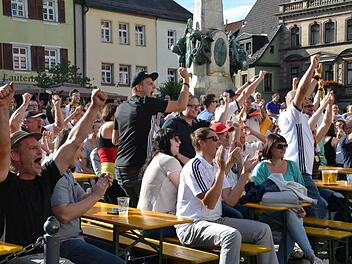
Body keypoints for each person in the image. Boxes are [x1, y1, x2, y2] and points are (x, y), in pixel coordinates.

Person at [0, 83, 106, 262]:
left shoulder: (45, 177)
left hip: (47, 255)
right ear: (15, 156)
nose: (38, 152)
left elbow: (73, 140)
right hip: (16, 259)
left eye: (37, 147)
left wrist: (94, 108)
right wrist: (3, 107)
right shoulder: (6, 181)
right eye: (32, 148)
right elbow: (3, 148)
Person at [176, 127, 278, 264]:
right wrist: (221, 170)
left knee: (263, 230)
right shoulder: (193, 166)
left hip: (214, 221)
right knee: (231, 235)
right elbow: (209, 203)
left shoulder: (216, 166)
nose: (219, 142)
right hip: (191, 225)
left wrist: (244, 173)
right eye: (214, 139)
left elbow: (231, 200)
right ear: (201, 143)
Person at [113, 67, 190, 207]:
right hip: (137, 168)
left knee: (136, 210)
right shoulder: (145, 102)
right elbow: (181, 105)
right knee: (148, 211)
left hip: (119, 168)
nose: (154, 86)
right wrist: (186, 80)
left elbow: (115, 140)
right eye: (149, 83)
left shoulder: (121, 107)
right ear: (138, 88)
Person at [51, 130, 125, 264]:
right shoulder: (56, 175)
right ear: (68, 149)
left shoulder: (65, 171)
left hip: (74, 238)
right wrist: (96, 195)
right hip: (62, 243)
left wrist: (100, 188)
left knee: (122, 252)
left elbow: (81, 197)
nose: (80, 156)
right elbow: (64, 215)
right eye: (79, 150)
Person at [251, 133, 322, 264]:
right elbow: (258, 194)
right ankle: (310, 255)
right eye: (279, 146)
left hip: (292, 209)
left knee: (292, 217)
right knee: (293, 219)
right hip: (268, 212)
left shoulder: (292, 165)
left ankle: (285, 260)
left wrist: (300, 206)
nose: (283, 149)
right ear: (270, 148)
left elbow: (301, 190)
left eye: (285, 146)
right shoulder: (261, 168)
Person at [278, 54, 327, 218]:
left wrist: (317, 75)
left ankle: (307, 240)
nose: (307, 101)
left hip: (300, 171)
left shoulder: (299, 117)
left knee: (308, 210)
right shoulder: (292, 114)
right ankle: (316, 242)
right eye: (304, 99)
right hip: (299, 171)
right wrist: (312, 67)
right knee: (318, 209)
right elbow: (301, 91)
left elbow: (306, 90)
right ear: (292, 102)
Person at [137, 128, 182, 238]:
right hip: (157, 225)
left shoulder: (157, 158)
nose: (179, 142)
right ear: (167, 141)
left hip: (144, 222)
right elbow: (185, 190)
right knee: (194, 230)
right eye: (176, 139)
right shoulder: (169, 160)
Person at [162, 95, 209, 164]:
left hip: (194, 167)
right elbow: (163, 145)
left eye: (198, 106)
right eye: (193, 106)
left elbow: (218, 125)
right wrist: (181, 157)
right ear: (184, 106)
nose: (197, 109)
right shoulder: (172, 124)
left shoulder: (197, 123)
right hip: (177, 167)